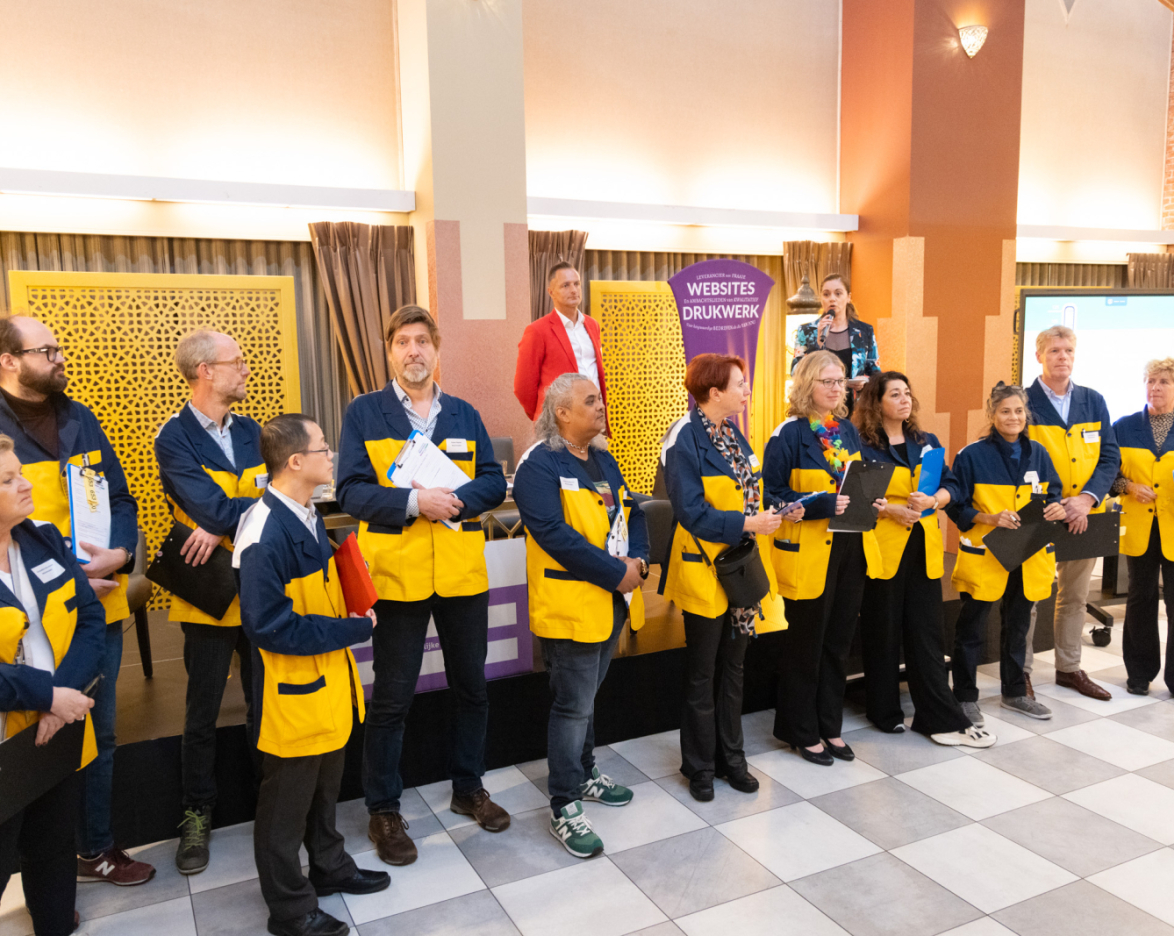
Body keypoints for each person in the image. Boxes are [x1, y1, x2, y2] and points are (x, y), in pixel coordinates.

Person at [337, 304, 509, 868]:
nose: (413, 351)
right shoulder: (364, 413)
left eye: (422, 342)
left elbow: (491, 481)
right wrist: (415, 502)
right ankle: (384, 809)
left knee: (472, 690)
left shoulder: (463, 413)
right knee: (391, 699)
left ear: (437, 350)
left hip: (461, 575)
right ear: (389, 351)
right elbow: (352, 492)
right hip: (397, 578)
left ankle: (469, 788)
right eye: (402, 342)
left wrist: (456, 500)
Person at [0, 316, 152, 887]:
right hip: (20, 620)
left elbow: (120, 495)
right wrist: (64, 582)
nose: (60, 358)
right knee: (25, 739)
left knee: (96, 733)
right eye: (47, 350)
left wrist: (119, 551)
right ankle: (35, 868)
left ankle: (93, 848)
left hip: (95, 613)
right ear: (9, 361)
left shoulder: (80, 418)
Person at [234, 415, 388, 936]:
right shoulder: (262, 532)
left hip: (327, 687)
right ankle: (290, 908)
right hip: (290, 696)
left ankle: (329, 867)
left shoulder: (305, 513)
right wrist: (347, 631)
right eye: (323, 449)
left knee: (324, 791)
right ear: (296, 461)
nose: (331, 457)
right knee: (284, 811)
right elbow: (269, 626)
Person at [513, 373, 647, 858]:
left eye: (599, 398)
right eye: (589, 401)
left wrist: (642, 559)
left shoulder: (604, 459)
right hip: (570, 605)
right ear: (561, 412)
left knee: (587, 699)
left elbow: (635, 513)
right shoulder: (539, 465)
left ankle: (586, 773)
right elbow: (555, 536)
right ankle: (564, 804)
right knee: (571, 707)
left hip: (610, 603)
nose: (600, 406)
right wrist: (616, 572)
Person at [155, 329, 267, 875]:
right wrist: (229, 510)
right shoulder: (172, 437)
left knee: (264, 701)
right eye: (236, 362)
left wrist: (219, 516)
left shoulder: (253, 430)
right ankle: (196, 816)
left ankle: (271, 804)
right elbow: (210, 502)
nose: (245, 368)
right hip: (206, 590)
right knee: (201, 710)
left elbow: (281, 497)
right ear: (205, 371)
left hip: (261, 585)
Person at [660, 353, 797, 801]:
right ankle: (699, 766)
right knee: (702, 672)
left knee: (734, 668)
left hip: (740, 568)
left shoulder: (734, 434)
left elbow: (749, 492)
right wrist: (747, 524)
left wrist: (770, 514)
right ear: (714, 391)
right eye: (740, 383)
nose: (747, 390)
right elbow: (691, 511)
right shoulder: (684, 437)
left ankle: (731, 758)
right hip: (704, 568)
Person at [853, 373, 994, 748]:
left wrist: (934, 501)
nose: (904, 400)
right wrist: (893, 510)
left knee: (927, 634)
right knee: (882, 631)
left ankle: (936, 713)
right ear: (876, 401)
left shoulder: (925, 442)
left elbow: (954, 487)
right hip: (883, 548)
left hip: (924, 549)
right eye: (895, 394)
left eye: (907, 393)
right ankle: (883, 712)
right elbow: (856, 496)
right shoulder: (863, 444)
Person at [0, 433, 105, 936]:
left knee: (53, 843)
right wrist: (47, 697)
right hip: (9, 736)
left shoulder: (39, 536)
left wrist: (61, 699)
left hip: (55, 727)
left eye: (19, 471)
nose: (25, 484)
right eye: (8, 479)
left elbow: (88, 619)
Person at [763, 350, 885, 766]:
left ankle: (829, 726)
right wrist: (820, 504)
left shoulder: (847, 431)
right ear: (805, 385)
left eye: (840, 382)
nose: (836, 389)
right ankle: (800, 729)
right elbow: (771, 496)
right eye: (827, 381)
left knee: (837, 643)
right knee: (806, 646)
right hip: (808, 551)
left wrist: (872, 497)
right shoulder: (787, 434)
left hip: (850, 547)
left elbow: (853, 486)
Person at [947, 383, 1067, 724]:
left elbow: (1053, 494)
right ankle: (965, 697)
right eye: (1005, 411)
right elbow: (956, 507)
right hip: (987, 556)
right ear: (992, 415)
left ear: (1025, 414)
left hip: (1028, 554)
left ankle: (1015, 692)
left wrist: (1056, 507)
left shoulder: (1039, 453)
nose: (1013, 417)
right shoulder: (971, 456)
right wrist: (988, 518)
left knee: (1017, 628)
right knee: (971, 630)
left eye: (1018, 411)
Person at [1024, 325, 1119, 701]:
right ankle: (1021, 674)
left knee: (1075, 597)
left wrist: (1087, 500)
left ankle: (1069, 668)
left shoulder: (1093, 401)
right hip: (1041, 514)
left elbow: (1110, 456)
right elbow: (1022, 459)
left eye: (1068, 351)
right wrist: (1058, 503)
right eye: (1054, 351)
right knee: (1029, 599)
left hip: (1085, 514)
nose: (1062, 357)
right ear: (1039, 356)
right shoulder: (1024, 401)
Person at [1111, 358, 1174, 696]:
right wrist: (1129, 487)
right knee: (1141, 597)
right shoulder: (1124, 426)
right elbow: (1109, 472)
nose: (1155, 387)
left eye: (1164, 381)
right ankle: (1139, 672)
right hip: (1138, 526)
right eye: (1151, 381)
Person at [513, 263, 608, 423]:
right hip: (558, 422)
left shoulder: (592, 325)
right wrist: (545, 416)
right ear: (551, 292)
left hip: (593, 417)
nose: (573, 290)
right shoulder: (537, 330)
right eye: (565, 285)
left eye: (576, 284)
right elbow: (523, 387)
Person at [790, 273, 879, 413]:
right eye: (826, 294)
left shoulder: (864, 331)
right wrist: (816, 345)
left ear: (848, 297)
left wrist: (865, 381)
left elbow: (876, 373)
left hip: (856, 408)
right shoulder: (807, 331)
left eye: (838, 293)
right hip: (818, 409)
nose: (832, 298)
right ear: (821, 299)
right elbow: (796, 371)